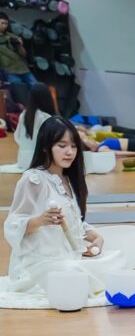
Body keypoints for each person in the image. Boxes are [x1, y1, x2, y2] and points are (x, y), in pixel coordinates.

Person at [2, 116, 123, 296]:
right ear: (45, 147)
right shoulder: (33, 179)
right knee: (77, 273)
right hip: (40, 264)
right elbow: (12, 225)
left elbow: (74, 221)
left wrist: (96, 237)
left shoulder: (68, 180)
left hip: (68, 258)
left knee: (118, 258)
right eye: (62, 145)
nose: (70, 152)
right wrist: (40, 220)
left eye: (74, 146)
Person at [11, 83, 55, 170]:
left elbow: (17, 137)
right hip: (40, 162)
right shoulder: (46, 117)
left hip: (22, 161)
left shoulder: (24, 114)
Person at [0, 12, 37, 86]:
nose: (4, 26)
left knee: (36, 86)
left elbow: (24, 54)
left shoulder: (12, 36)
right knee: (18, 88)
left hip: (23, 68)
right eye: (2, 23)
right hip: (8, 70)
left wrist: (20, 46)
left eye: (6, 24)